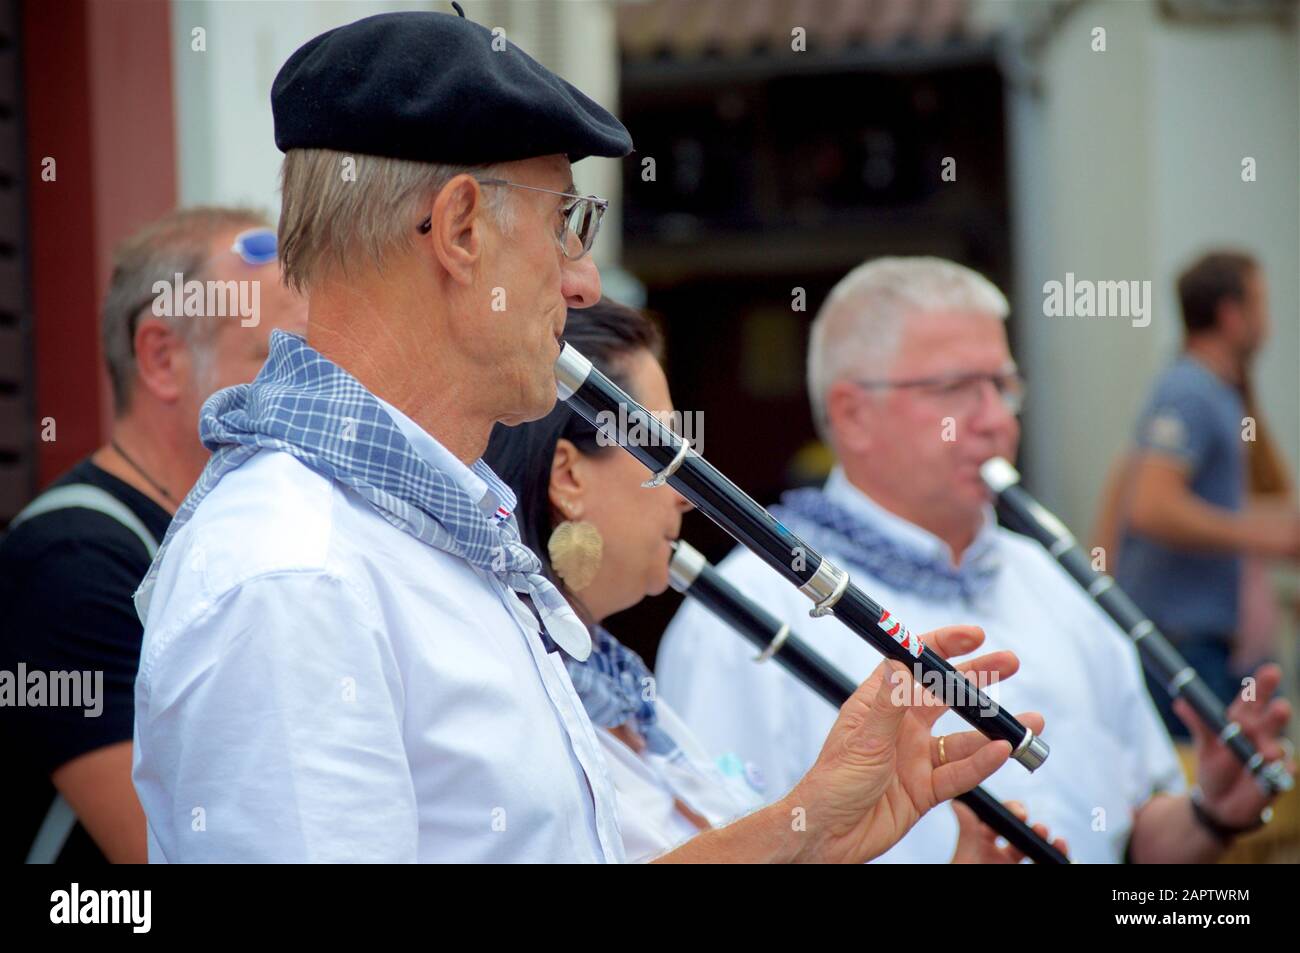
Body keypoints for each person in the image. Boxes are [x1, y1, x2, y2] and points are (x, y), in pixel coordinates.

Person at [130, 12, 1026, 863]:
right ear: (461, 230)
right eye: (567, 222)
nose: (586, 281)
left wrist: (805, 830)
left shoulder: (418, 537)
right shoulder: (295, 575)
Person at [658, 256, 1293, 863]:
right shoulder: (743, 610)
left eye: (1004, 385)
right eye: (956, 388)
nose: (996, 421)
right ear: (852, 415)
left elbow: (1133, 836)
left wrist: (1211, 811)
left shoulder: (1056, 578)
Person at [484, 298, 1062, 862]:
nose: (686, 498)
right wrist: (803, 823)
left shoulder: (620, 689)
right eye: (661, 452)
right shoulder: (504, 686)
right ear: (568, 477)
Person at [1, 207, 307, 863]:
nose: (312, 392)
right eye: (277, 357)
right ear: (162, 357)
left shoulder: (246, 525)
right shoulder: (70, 560)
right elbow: (162, 848)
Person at [1116, 251, 1300, 737]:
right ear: (1231, 314)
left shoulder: (1212, 391)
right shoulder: (1190, 390)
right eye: (1261, 304)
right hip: (1183, 642)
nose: (1270, 324)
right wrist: (1266, 537)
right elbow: (1152, 506)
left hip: (1199, 639)